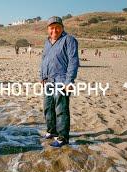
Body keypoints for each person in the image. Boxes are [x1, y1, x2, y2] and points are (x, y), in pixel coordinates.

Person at [40, 16, 79, 147]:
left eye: (57, 27)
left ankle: (63, 137)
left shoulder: (69, 40)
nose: (54, 30)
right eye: (51, 28)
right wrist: (42, 77)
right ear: (48, 29)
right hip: (48, 81)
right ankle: (51, 131)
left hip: (62, 80)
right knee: (48, 107)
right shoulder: (47, 42)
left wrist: (69, 82)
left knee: (61, 109)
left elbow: (73, 61)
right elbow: (44, 60)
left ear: (62, 28)